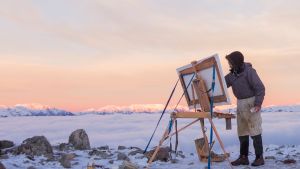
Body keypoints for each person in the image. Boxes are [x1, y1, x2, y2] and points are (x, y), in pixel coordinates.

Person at [225, 51, 265, 167]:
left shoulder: (249, 72)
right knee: (242, 131)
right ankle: (243, 157)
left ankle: (259, 157)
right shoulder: (232, 75)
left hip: (251, 103)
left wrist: (257, 104)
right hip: (240, 103)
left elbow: (260, 88)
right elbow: (222, 84)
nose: (229, 64)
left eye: (230, 62)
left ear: (236, 62)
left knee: (255, 130)